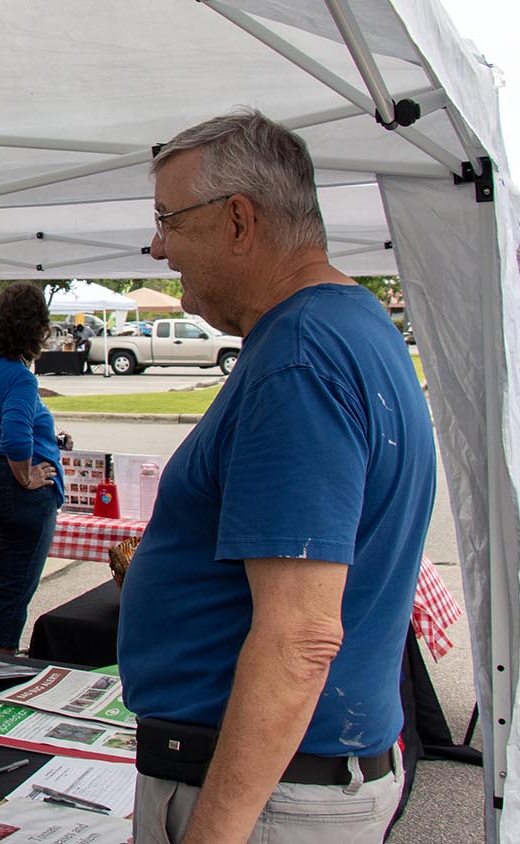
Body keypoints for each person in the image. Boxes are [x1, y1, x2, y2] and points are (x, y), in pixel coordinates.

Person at [118, 110, 433, 844]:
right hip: (294, 781)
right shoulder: (347, 326)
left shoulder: (299, 357)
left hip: (270, 801)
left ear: (238, 221)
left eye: (167, 219)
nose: (159, 247)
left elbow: (300, 636)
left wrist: (215, 832)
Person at [0, 282, 64, 656]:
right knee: (15, 588)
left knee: (5, 579)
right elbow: (15, 440)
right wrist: (28, 476)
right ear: (38, 325)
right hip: (13, 488)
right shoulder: (21, 376)